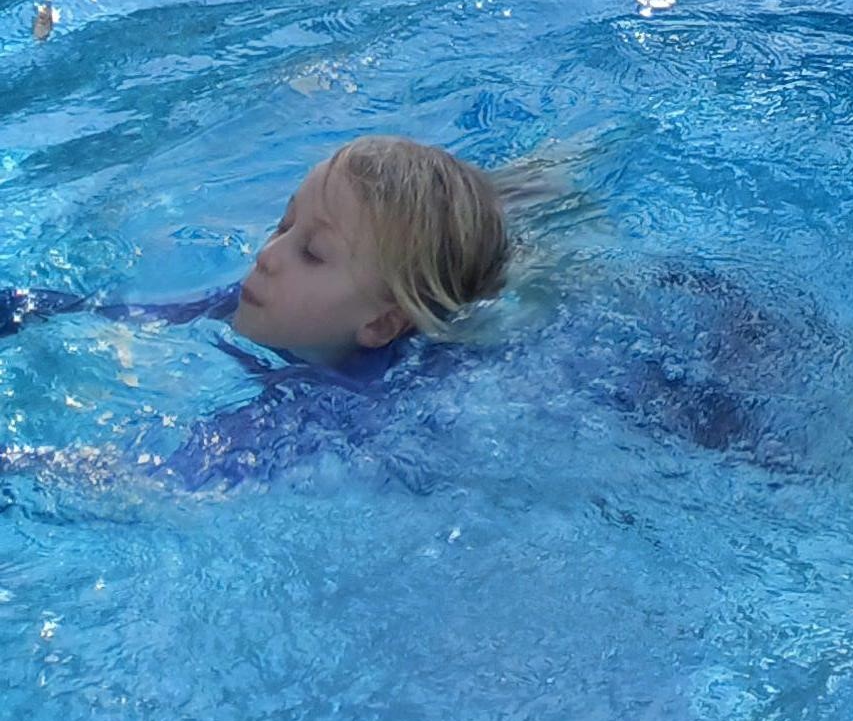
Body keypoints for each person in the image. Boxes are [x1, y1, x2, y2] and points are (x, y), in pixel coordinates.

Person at [0, 134, 573, 486]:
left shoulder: (338, 411)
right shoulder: (257, 303)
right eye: (284, 223)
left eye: (313, 253)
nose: (269, 255)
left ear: (378, 324)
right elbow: (114, 314)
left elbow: (164, 484)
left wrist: (23, 464)